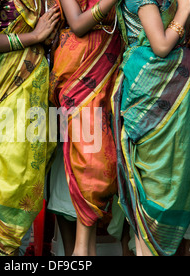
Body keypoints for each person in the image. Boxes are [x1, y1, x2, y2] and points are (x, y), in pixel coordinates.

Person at [0, 0, 59, 255]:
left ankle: (14, 251)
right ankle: (6, 250)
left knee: (27, 176)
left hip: (35, 91)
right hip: (2, 90)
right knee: (5, 171)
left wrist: (45, 39)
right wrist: (34, 36)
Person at [113, 0, 190, 256]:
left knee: (173, 177)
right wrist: (184, 10)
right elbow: (161, 46)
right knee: (152, 185)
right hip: (149, 95)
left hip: (171, 95)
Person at [48, 0, 122, 256]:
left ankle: (82, 249)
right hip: (79, 77)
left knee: (100, 162)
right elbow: (77, 23)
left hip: (110, 74)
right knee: (87, 162)